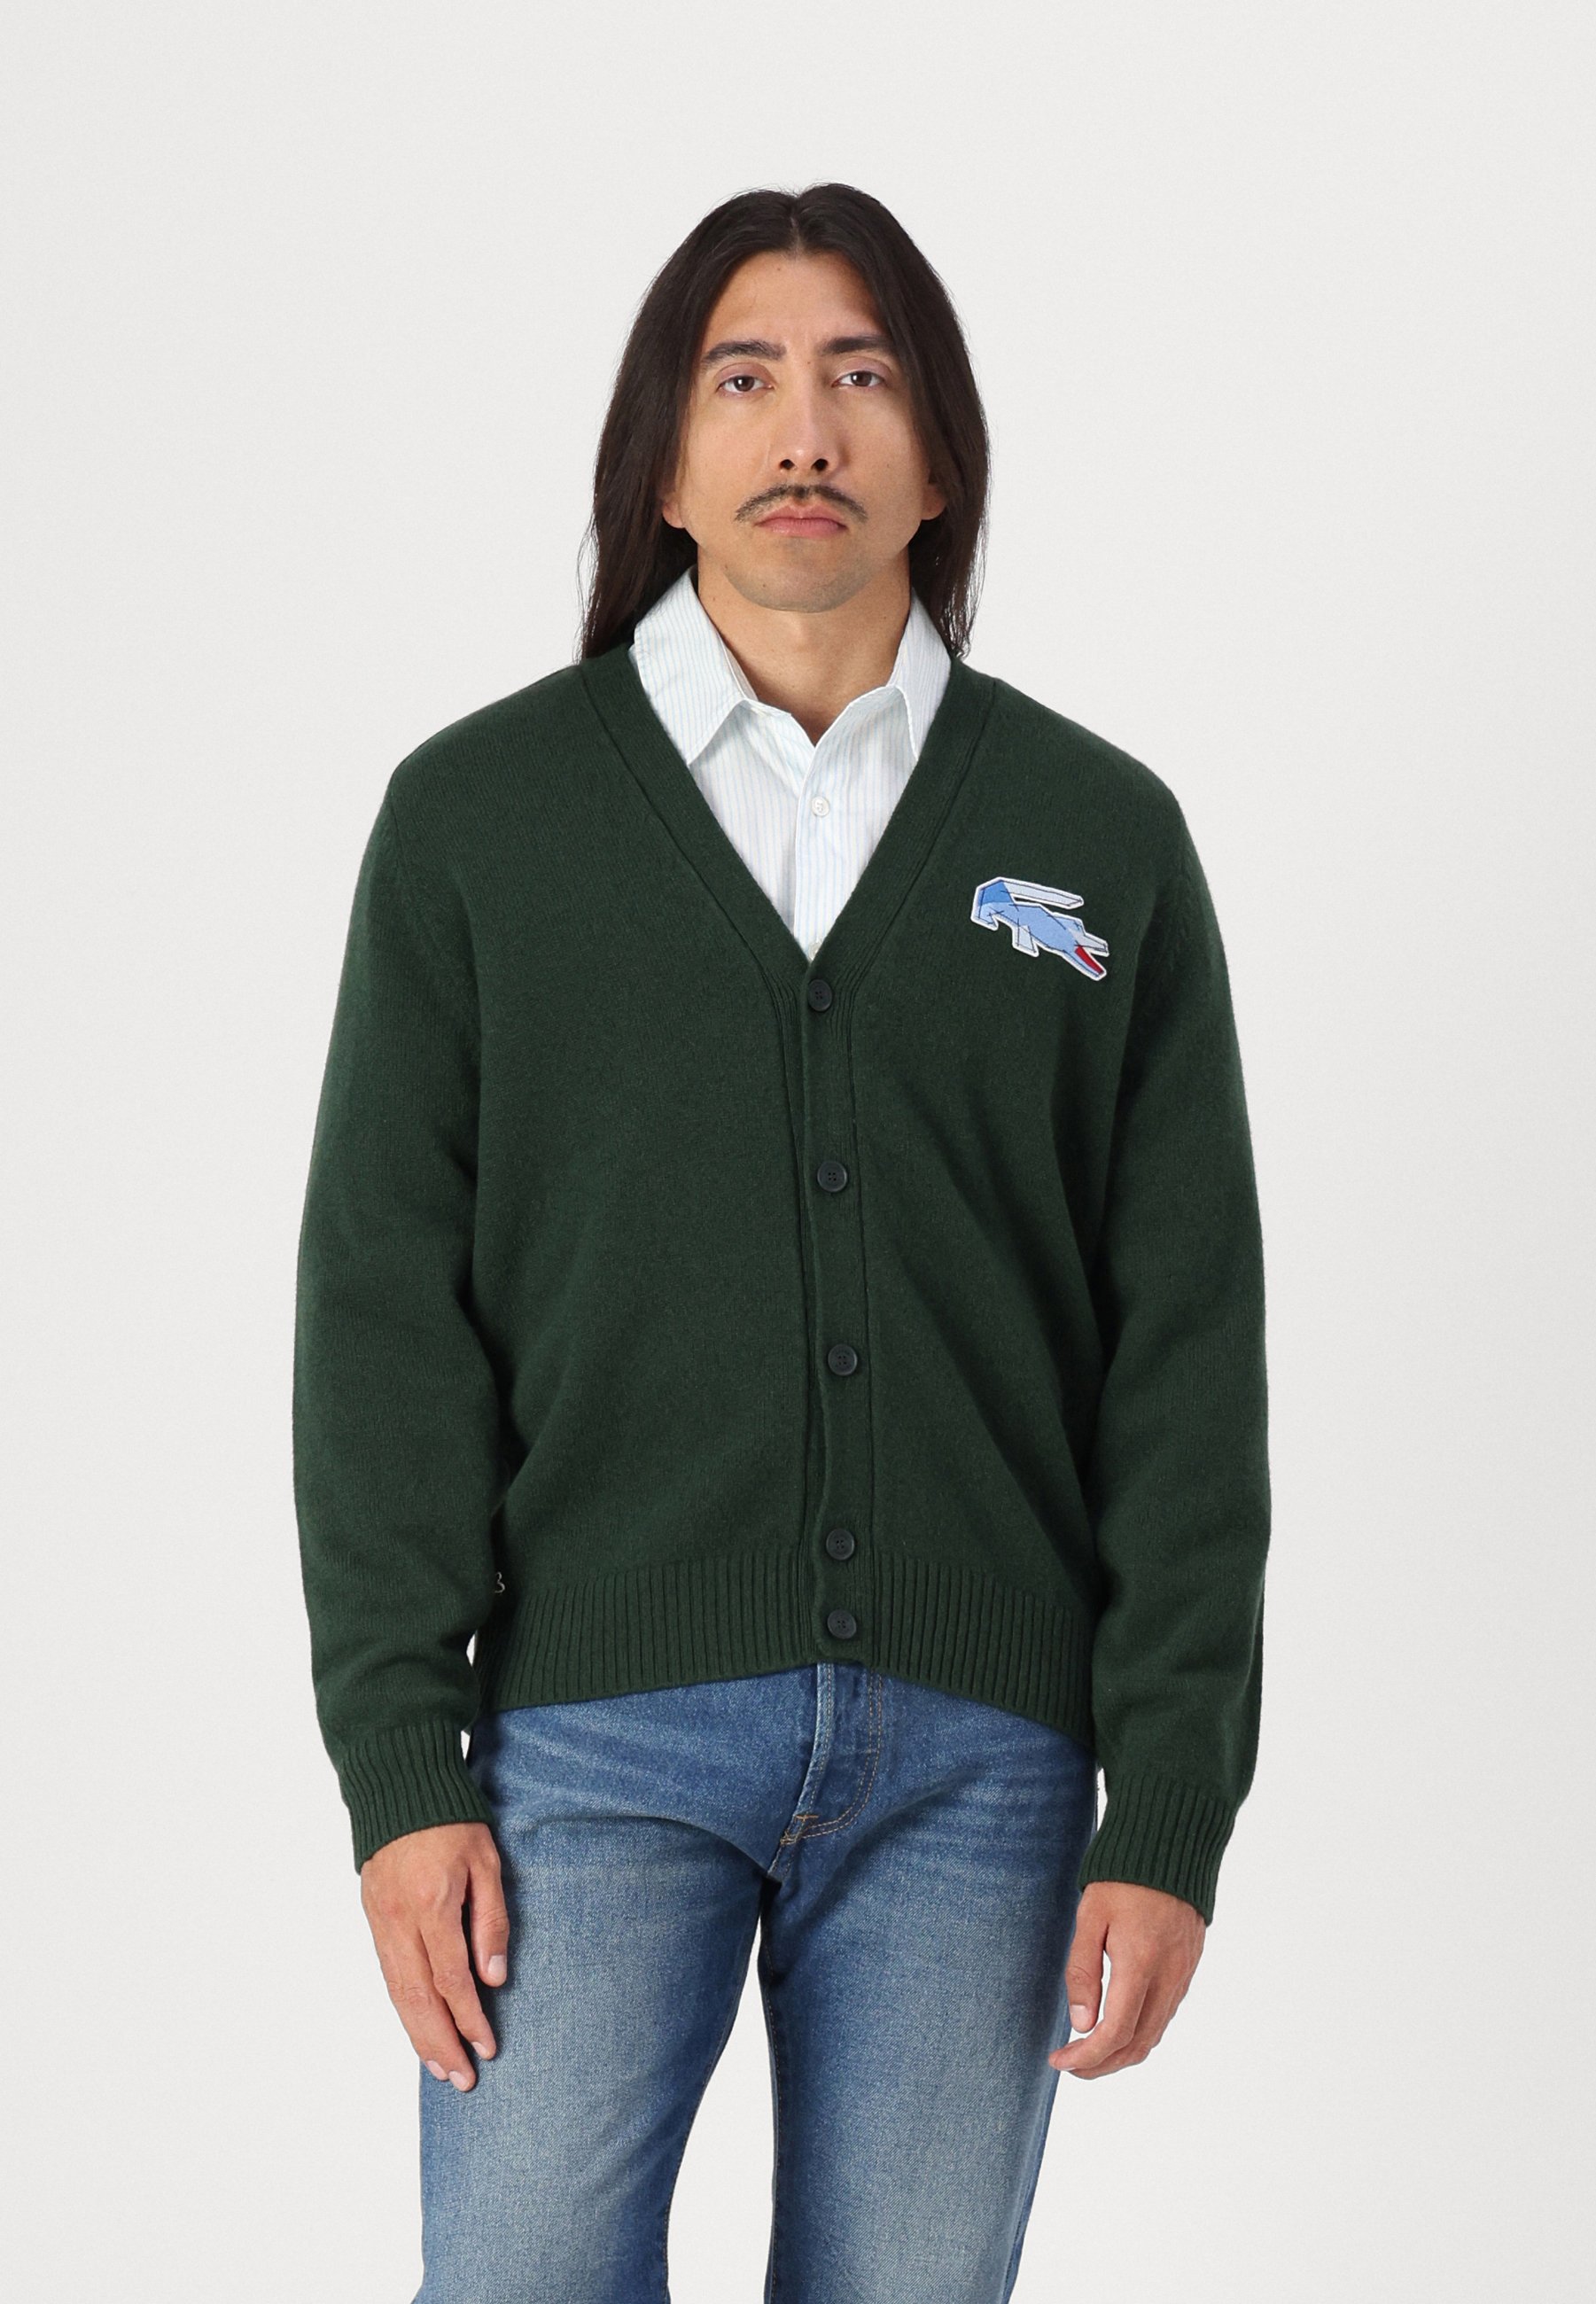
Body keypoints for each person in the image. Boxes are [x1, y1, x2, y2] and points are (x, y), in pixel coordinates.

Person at [292, 181, 1272, 2304]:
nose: (803, 431)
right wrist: (397, 1769)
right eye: (742, 379)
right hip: (588, 1741)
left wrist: (1172, 1800)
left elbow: (1186, 1352)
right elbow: (382, 1322)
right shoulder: (478, 822)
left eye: (861, 375)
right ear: (664, 459)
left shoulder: (1098, 840)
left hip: (981, 1761)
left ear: (939, 458)